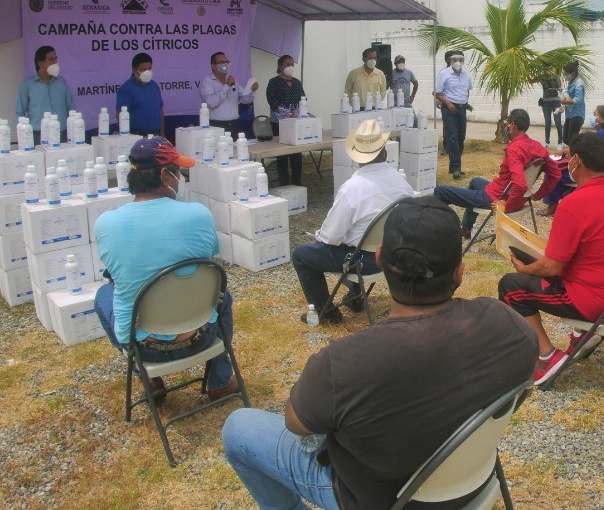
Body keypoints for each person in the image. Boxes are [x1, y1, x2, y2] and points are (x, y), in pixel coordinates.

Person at [223, 195, 536, 510]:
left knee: (238, 428)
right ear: (460, 271)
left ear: (381, 258)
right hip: (470, 485)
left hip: (376, 499)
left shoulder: (346, 362)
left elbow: (296, 423)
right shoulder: (510, 325)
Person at [93, 137, 239, 401]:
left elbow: (120, 281)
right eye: (177, 171)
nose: (180, 177)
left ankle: (149, 377)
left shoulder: (107, 224)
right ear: (165, 175)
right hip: (201, 334)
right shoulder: (198, 214)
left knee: (104, 294)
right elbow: (205, 261)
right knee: (220, 293)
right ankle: (219, 381)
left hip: (145, 348)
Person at [499, 132, 604, 384]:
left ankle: (547, 357)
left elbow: (552, 267)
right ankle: (583, 334)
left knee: (510, 287)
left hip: (601, 304)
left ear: (575, 161)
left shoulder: (573, 203)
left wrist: (526, 268)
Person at [291, 120, 413, 324]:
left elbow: (330, 237)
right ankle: (355, 297)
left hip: (364, 262)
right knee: (357, 238)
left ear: (358, 158)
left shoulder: (352, 188)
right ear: (384, 153)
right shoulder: (400, 181)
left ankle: (327, 313)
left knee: (302, 255)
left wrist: (318, 237)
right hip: (394, 254)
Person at [433, 108, 559, 239]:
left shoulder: (514, 149)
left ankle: (441, 234)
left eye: (507, 124)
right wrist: (536, 196)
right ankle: (466, 227)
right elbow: (556, 174)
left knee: (440, 191)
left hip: (496, 197)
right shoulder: (538, 146)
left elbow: (520, 185)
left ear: (513, 125)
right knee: (475, 181)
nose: (506, 127)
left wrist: (507, 205)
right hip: (512, 195)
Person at [538, 105, 604, 216]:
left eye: (595, 115)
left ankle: (552, 205)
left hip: (586, 170)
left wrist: (568, 152)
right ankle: (565, 198)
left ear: (602, 119)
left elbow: (585, 152)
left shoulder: (602, 135)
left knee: (552, 173)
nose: (592, 118)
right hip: (591, 167)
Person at [16, 45, 75, 144]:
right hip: (38, 138)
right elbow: (19, 113)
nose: (55, 62)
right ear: (41, 64)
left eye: (56, 58)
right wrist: (24, 138)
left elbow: (71, 108)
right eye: (51, 59)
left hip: (62, 136)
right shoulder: (26, 86)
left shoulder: (61, 82)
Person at [265, 54, 306, 187]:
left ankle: (296, 182)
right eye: (288, 64)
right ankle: (284, 182)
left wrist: (296, 113)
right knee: (282, 155)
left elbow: (303, 100)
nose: (291, 67)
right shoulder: (274, 82)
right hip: (279, 123)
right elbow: (273, 102)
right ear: (280, 66)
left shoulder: (297, 82)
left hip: (295, 123)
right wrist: (288, 114)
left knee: (296, 154)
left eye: (292, 64)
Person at [434, 49, 473, 179]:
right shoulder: (444, 74)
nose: (457, 62)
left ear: (463, 61)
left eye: (460, 60)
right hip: (449, 108)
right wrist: (449, 103)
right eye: (455, 60)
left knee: (461, 137)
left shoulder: (466, 75)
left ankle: (453, 166)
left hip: (461, 108)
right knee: (452, 136)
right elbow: (437, 93)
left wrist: (465, 103)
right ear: (450, 61)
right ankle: (456, 167)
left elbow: (467, 90)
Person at [200, 51, 256, 139]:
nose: (225, 64)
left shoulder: (232, 81)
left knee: (239, 150)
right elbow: (211, 103)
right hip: (218, 126)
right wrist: (226, 86)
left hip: (235, 125)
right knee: (223, 151)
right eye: (222, 62)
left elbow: (246, 100)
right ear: (213, 66)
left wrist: (252, 91)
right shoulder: (207, 82)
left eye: (227, 62)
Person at [114, 52, 164, 137]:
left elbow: (160, 111)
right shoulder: (126, 89)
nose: (147, 72)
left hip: (155, 136)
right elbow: (120, 115)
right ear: (134, 70)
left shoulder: (154, 86)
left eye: (149, 68)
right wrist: (127, 138)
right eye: (143, 69)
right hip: (136, 137)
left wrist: (162, 135)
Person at [558, 61, 587, 143]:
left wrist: (564, 102)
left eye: (566, 73)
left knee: (572, 140)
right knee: (566, 139)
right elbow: (568, 95)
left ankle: (577, 153)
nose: (565, 75)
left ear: (573, 73)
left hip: (577, 115)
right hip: (570, 115)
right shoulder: (570, 83)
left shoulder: (578, 84)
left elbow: (577, 100)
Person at [537, 74, 564, 146]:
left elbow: (560, 87)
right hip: (546, 102)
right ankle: (547, 141)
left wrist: (559, 89)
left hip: (556, 101)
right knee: (547, 122)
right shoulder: (542, 76)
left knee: (557, 122)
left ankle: (560, 142)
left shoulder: (555, 76)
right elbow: (531, 81)